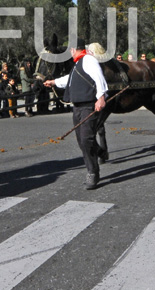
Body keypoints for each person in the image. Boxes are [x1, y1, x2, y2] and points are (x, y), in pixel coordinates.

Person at [44, 38, 108, 190]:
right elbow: (70, 79)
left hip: (88, 106)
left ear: (74, 49)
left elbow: (99, 78)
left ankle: (92, 173)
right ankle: (99, 151)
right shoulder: (78, 63)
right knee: (81, 140)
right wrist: (54, 82)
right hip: (77, 107)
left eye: (70, 51)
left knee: (86, 139)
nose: (70, 54)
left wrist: (101, 97)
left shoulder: (88, 60)